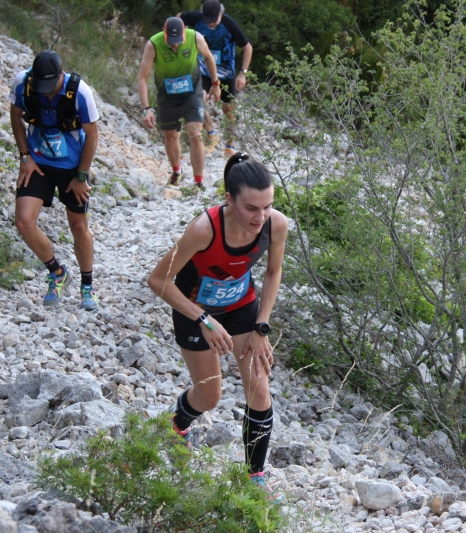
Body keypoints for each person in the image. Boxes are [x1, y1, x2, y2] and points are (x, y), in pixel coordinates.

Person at [147, 153, 288, 491]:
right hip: (194, 310)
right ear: (229, 199)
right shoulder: (202, 230)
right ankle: (176, 424)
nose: (261, 216)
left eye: (267, 206)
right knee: (209, 396)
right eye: (251, 208)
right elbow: (158, 281)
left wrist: (261, 326)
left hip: (241, 306)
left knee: (258, 383)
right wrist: (204, 318)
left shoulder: (275, 224)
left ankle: (254, 477)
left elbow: (272, 271)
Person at [9, 50, 100, 310]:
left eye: (51, 87)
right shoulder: (23, 83)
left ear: (62, 75)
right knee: (24, 221)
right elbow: (15, 115)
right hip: (38, 162)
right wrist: (24, 155)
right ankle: (57, 271)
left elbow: (92, 135)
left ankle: (87, 286)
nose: (46, 93)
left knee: (78, 226)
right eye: (42, 87)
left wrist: (82, 176)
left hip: (72, 166)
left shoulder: (80, 92)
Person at [138, 16, 221, 189]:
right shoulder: (153, 44)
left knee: (195, 133)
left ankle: (198, 181)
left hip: (192, 93)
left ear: (184, 32)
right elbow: (142, 78)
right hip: (167, 96)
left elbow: (208, 58)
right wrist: (147, 108)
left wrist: (215, 84)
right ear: (164, 33)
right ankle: (177, 171)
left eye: (178, 41)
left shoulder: (195, 37)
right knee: (171, 136)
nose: (175, 45)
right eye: (171, 41)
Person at [179, 0, 252, 157]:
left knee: (228, 110)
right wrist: (182, 35)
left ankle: (230, 145)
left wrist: (243, 73)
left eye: (214, 21)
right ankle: (211, 134)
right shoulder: (197, 17)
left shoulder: (229, 24)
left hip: (226, 73)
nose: (211, 24)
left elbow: (247, 47)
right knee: (197, 102)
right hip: (204, 70)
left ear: (221, 14)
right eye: (208, 21)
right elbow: (179, 18)